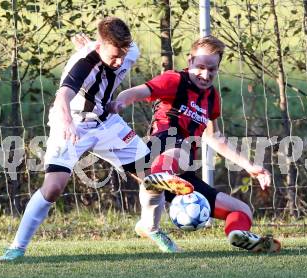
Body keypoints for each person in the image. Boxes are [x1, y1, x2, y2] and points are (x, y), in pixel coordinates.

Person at [0, 17, 192, 261]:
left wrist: (113, 99)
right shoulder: (82, 64)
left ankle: (151, 227)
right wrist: (68, 122)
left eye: (123, 55)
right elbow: (62, 98)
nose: (120, 62)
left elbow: (121, 55)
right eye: (114, 56)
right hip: (72, 124)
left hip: (106, 123)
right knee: (53, 188)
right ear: (100, 46)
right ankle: (17, 247)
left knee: (151, 176)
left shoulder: (128, 51)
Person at [106, 35, 281, 253]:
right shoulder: (174, 80)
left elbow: (214, 137)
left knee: (242, 210)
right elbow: (135, 92)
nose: (205, 74)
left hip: (182, 176)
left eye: (212, 70)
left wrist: (249, 166)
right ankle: (160, 177)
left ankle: (238, 235)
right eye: (200, 67)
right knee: (180, 148)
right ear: (189, 61)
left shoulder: (212, 98)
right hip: (160, 149)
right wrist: (121, 101)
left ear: (218, 68)